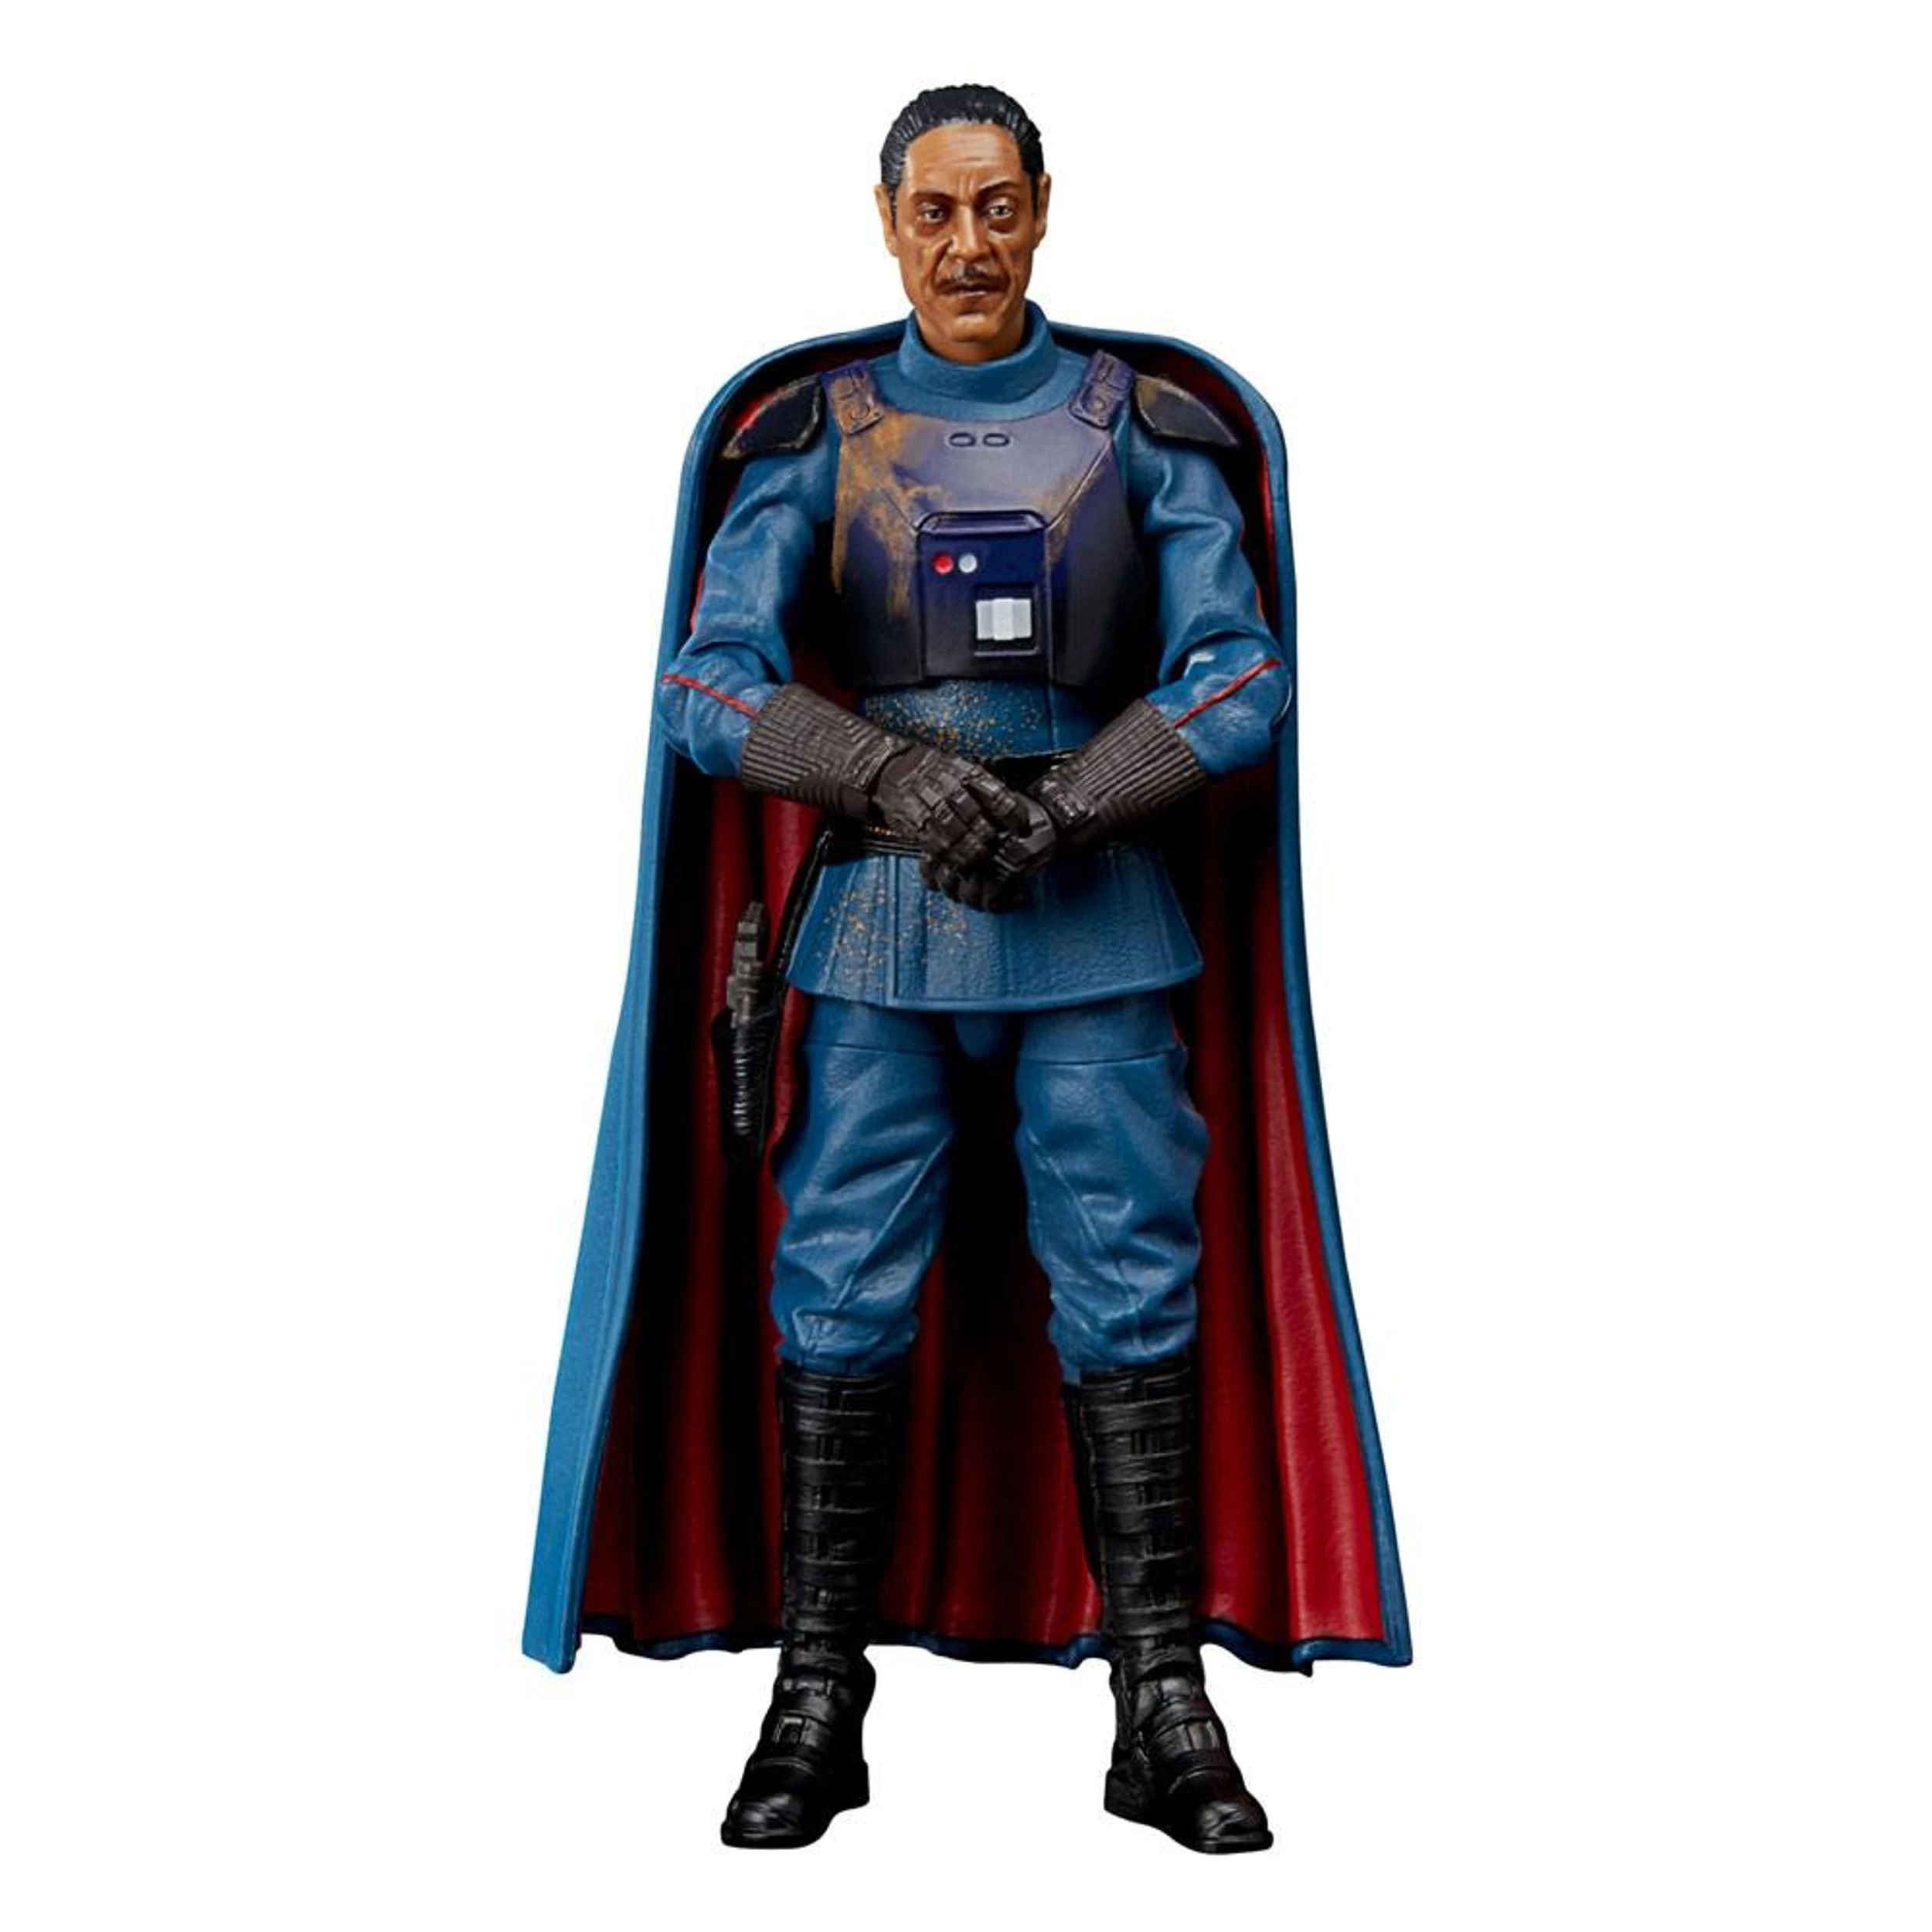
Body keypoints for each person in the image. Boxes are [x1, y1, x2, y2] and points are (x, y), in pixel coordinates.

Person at [523, 83, 1410, 1857]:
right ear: (886, 221)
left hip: (1091, 921)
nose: (966, 244)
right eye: (933, 211)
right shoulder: (815, 434)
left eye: (995, 206)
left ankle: (1160, 1695)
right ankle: (816, 1688)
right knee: (835, 1284)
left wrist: (1081, 797)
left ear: (1041, 209)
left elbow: (1239, 670)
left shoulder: (1143, 428)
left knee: (1131, 1279)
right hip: (879, 925)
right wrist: (874, 770)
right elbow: (703, 682)